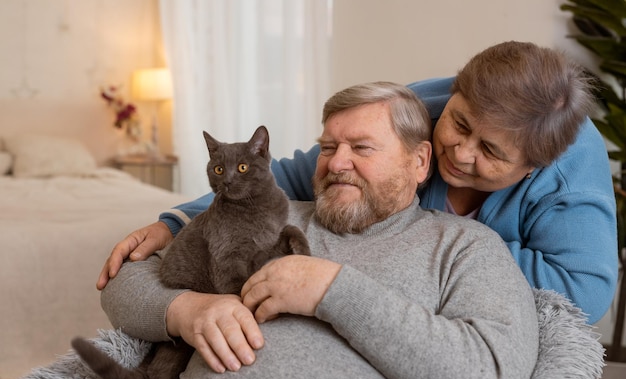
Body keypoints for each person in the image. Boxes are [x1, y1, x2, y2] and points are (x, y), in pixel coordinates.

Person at [98, 41, 618, 324]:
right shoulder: (415, 108)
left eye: (490, 151)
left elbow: (582, 294)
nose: (460, 153)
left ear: (532, 166)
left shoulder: (568, 168)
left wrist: (426, 244)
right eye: (459, 124)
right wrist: (176, 220)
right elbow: (295, 173)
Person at [101, 81, 539, 379]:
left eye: (361, 148)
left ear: (419, 161)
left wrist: (334, 290)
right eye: (328, 147)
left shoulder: (464, 246)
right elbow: (123, 282)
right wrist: (186, 310)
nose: (337, 162)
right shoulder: (265, 209)